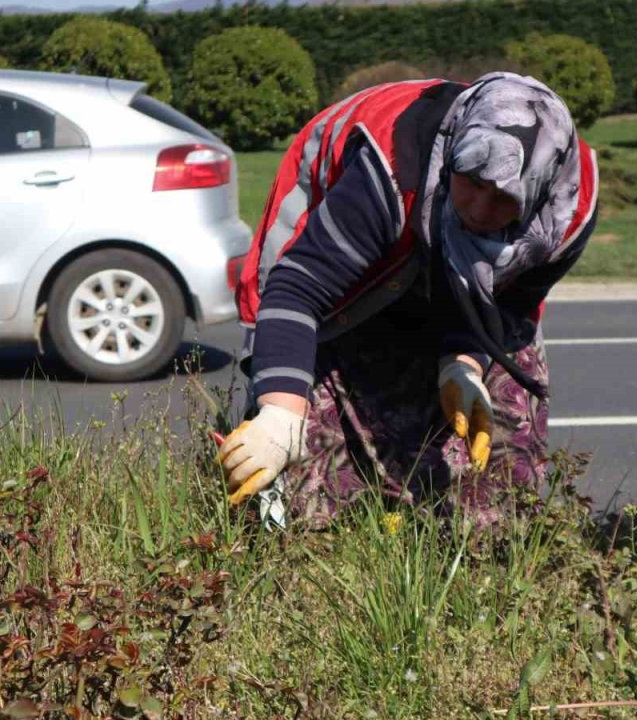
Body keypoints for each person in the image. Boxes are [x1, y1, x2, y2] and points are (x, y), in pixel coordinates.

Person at [216, 72, 598, 526]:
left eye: (503, 198)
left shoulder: (566, 217)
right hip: (328, 265)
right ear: (454, 154)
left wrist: (463, 363)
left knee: (497, 466)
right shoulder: (392, 173)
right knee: (305, 485)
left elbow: (507, 302)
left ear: (537, 195)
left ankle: (481, 545)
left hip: (425, 238)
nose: (478, 209)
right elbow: (297, 290)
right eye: (472, 180)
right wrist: (281, 415)